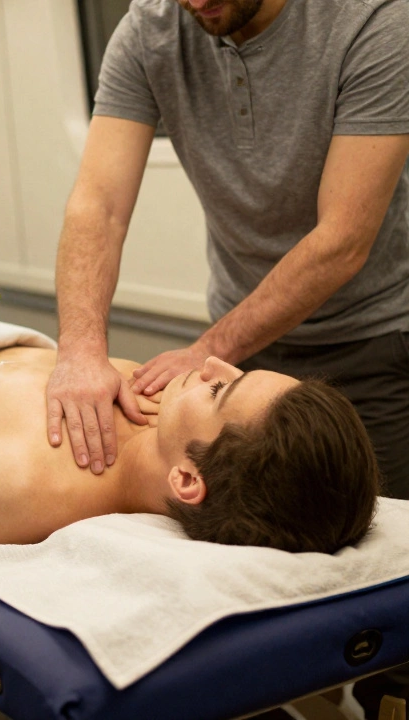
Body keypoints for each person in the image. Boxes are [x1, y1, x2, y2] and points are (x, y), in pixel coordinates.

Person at [45, 0, 409, 505]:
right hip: (241, 352)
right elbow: (99, 206)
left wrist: (204, 351)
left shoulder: (374, 20)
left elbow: (341, 240)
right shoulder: (149, 33)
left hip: (367, 344)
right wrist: (81, 351)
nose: (195, 3)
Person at [0, 346, 379, 554]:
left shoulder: (22, 488)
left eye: (217, 389)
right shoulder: (161, 403)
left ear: (188, 479)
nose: (209, 361)